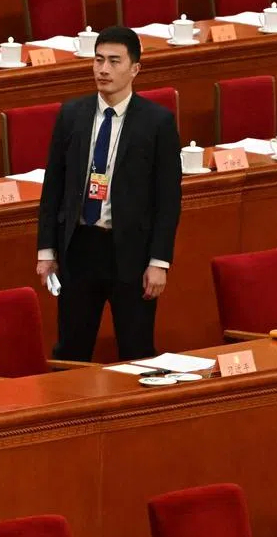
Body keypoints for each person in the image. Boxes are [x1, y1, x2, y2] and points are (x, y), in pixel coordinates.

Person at [35, 26, 181, 361]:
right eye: (98, 60)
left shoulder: (156, 122)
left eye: (114, 61)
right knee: (71, 349)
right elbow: (54, 186)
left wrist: (159, 261)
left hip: (131, 252)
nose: (103, 69)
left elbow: (168, 200)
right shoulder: (72, 115)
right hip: (80, 248)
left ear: (135, 68)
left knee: (137, 349)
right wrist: (46, 249)